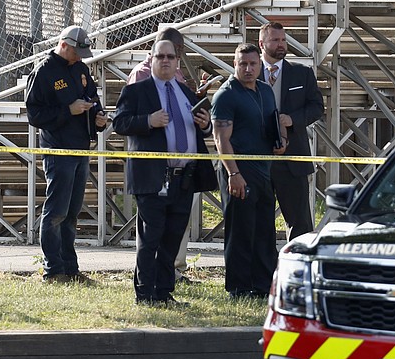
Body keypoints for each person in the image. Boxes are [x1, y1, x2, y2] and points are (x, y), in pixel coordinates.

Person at [113, 39, 214, 305]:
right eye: (161, 56)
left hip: (184, 179)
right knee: (152, 238)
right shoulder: (137, 91)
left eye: (171, 56)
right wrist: (148, 121)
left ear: (177, 60)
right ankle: (145, 294)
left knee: (172, 239)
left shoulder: (185, 92)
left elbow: (201, 130)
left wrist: (205, 126)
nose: (166, 61)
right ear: (152, 59)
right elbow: (119, 123)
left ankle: (164, 292)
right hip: (154, 178)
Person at [25, 24, 109, 284]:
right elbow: (34, 114)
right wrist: (67, 111)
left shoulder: (82, 70)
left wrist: (99, 117)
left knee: (72, 211)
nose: (81, 56)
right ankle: (53, 270)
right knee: (56, 211)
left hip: (81, 147)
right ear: (64, 45)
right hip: (58, 150)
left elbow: (92, 98)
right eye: (77, 51)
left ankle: (70, 269)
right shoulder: (44, 72)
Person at [211, 42, 286, 299]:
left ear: (259, 65)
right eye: (243, 64)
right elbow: (221, 139)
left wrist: (281, 140)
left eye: (253, 64)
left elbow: (273, 122)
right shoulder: (226, 94)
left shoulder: (265, 91)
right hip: (238, 170)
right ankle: (239, 287)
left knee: (264, 230)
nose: (248, 68)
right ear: (235, 64)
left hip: (264, 169)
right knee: (240, 230)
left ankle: (264, 285)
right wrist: (234, 173)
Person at [259, 22, 325, 240]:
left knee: (300, 223)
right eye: (275, 40)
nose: (281, 44)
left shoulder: (302, 74)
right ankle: (264, 271)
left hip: (293, 160)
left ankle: (298, 269)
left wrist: (292, 119)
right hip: (258, 159)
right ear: (262, 44)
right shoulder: (248, 72)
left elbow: (317, 108)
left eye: (283, 40)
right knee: (259, 223)